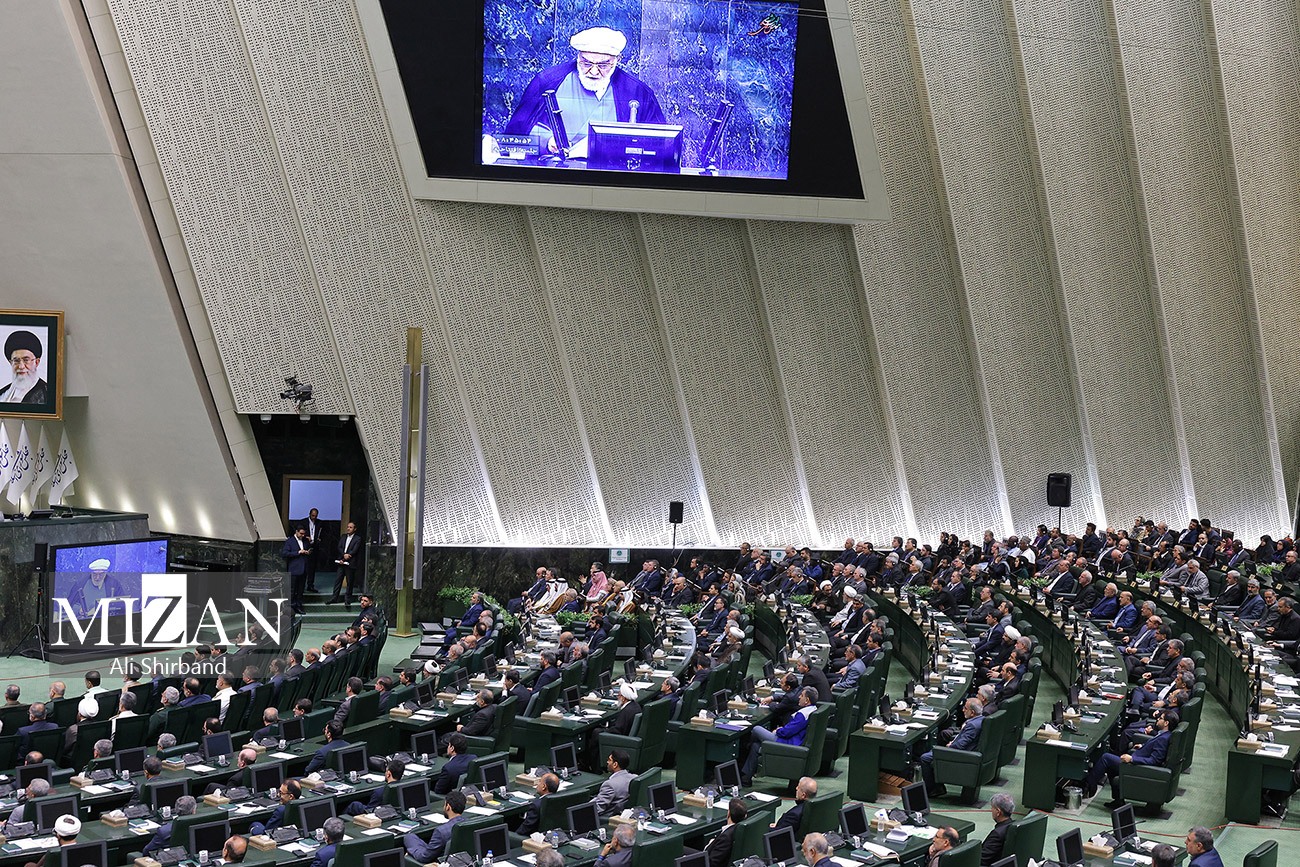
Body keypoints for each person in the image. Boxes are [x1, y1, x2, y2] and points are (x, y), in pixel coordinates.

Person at [503, 25, 667, 160]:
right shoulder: (548, 81)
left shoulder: (637, 92)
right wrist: (546, 141)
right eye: (587, 63)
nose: (594, 71)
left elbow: (661, 145)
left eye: (603, 65)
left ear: (618, 60)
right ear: (578, 57)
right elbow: (515, 135)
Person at [1083, 710, 1176, 807]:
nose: (1158, 719)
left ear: (1166, 723)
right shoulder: (1164, 734)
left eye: (1160, 718)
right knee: (1111, 765)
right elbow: (1154, 747)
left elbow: (1154, 761)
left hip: (1138, 767)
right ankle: (1118, 800)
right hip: (1137, 761)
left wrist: (1132, 759)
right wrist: (1142, 746)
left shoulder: (1164, 738)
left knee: (1106, 758)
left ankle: (1089, 785)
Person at [741, 687, 816, 785]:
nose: (799, 697)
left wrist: (778, 730)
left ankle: (744, 750)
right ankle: (745, 779)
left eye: (801, 696)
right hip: (793, 741)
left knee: (756, 729)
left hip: (785, 742)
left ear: (807, 700)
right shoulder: (813, 710)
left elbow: (786, 732)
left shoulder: (802, 714)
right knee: (756, 746)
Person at [921, 698, 984, 797]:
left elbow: (960, 746)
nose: (963, 710)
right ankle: (938, 786)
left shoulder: (972, 725)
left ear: (972, 712)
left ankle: (933, 789)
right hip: (964, 750)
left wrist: (951, 746)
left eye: (965, 708)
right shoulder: (980, 720)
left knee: (925, 758)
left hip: (961, 755)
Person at [404, 790, 464, 861]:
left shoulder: (440, 832)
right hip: (460, 860)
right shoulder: (468, 824)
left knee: (409, 837)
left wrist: (411, 853)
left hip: (437, 861)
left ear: (448, 807)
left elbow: (424, 857)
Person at [1, 330, 48, 405]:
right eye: (16, 361)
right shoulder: (3, 393)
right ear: (11, 363)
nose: (21, 366)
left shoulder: (47, 393)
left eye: (26, 360)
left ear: (36, 362)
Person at [331, 521, 363, 606]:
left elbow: (355, 550)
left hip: (350, 562)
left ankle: (347, 600)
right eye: (348, 527)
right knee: (338, 580)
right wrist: (343, 556)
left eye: (350, 527)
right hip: (341, 562)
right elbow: (339, 547)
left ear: (355, 529)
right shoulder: (343, 536)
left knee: (350, 582)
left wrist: (348, 556)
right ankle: (334, 598)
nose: (348, 528)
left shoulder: (357, 538)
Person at [282, 526, 313, 615]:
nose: (302, 535)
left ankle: (299, 606)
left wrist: (308, 552)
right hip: (294, 569)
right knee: (292, 590)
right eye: (301, 533)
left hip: (304, 568)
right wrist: (298, 552)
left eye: (304, 534)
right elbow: (285, 553)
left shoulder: (305, 541)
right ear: (296, 532)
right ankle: (291, 607)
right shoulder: (290, 541)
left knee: (300, 590)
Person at [594, 749, 633, 816]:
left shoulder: (609, 785)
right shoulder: (634, 778)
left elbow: (597, 809)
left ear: (615, 764)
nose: (607, 762)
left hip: (607, 818)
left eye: (609, 760)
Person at [980, 793, 1014, 866]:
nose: (991, 810)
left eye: (992, 807)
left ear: (998, 812)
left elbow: (981, 859)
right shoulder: (1014, 826)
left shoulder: (997, 834)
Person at [301, 508, 324, 593]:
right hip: (305, 546)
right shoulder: (303, 522)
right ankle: (301, 586)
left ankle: (310, 585)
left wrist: (320, 539)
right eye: (312, 515)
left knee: (312, 567)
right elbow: (298, 533)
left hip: (315, 547)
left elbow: (324, 534)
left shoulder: (319, 523)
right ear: (309, 514)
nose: (314, 517)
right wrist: (305, 537)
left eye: (315, 516)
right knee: (304, 567)